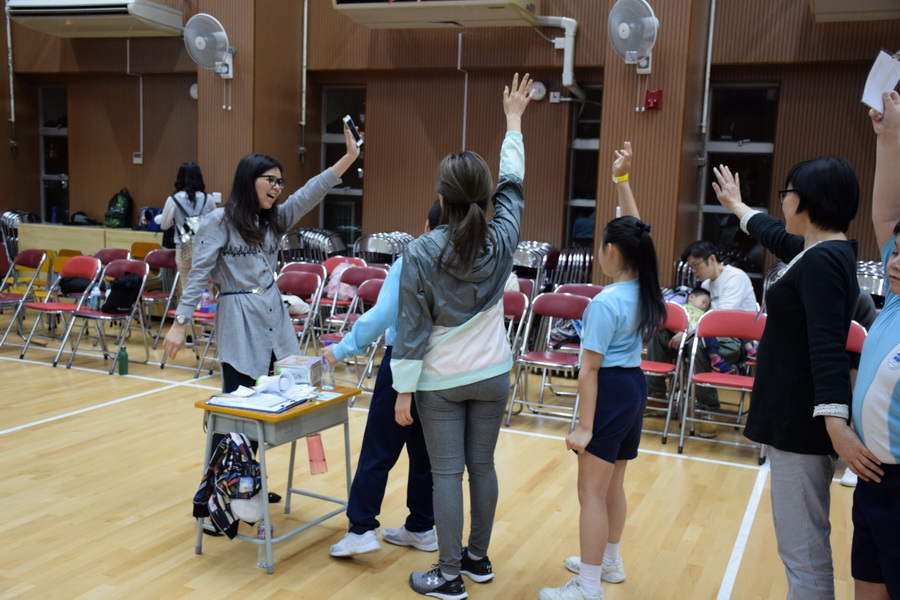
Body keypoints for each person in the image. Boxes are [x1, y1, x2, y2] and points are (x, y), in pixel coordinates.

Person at [391, 72, 533, 600]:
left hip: (440, 382)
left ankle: (448, 576)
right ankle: (477, 558)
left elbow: (412, 328)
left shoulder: (420, 251)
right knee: (483, 468)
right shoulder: (503, 239)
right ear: (485, 195)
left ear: (440, 197)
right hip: (494, 375)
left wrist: (403, 389)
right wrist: (513, 122)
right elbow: (514, 185)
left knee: (447, 476)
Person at [712, 153, 861, 600]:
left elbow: (827, 348)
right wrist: (738, 207)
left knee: (804, 554)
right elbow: (775, 234)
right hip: (797, 420)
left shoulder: (821, 261)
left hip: (799, 424)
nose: (783, 202)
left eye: (787, 193)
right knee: (801, 550)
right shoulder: (823, 252)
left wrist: (836, 424)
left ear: (809, 200)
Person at [539, 160, 665, 600]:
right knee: (613, 486)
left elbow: (588, 370)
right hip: (633, 388)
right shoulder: (647, 288)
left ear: (611, 251)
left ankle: (588, 586)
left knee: (590, 493)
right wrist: (622, 181)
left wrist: (584, 427)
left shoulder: (605, 303)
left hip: (610, 392)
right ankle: (609, 561)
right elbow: (637, 230)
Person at [163, 128, 359, 391]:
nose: (277, 187)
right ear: (248, 180)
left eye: (280, 182)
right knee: (243, 394)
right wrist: (180, 323)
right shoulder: (218, 221)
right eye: (271, 180)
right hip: (238, 317)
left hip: (274, 313)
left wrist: (349, 156)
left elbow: (312, 191)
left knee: (285, 393)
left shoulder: (274, 220)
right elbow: (198, 275)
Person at [326, 202, 441, 558]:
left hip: (404, 361)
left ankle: (361, 528)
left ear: (427, 226)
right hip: (443, 368)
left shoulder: (413, 259)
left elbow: (382, 315)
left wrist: (342, 349)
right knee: (425, 453)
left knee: (378, 449)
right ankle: (422, 526)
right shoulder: (466, 263)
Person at [838, 89, 900, 600]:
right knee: (866, 588)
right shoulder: (895, 302)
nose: (893, 261)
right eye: (897, 251)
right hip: (871, 479)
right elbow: (887, 213)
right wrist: (888, 138)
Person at [159, 162, 216, 291]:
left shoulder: (173, 200)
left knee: (187, 287)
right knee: (206, 287)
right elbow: (216, 223)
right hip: (205, 248)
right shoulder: (208, 199)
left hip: (183, 247)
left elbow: (164, 225)